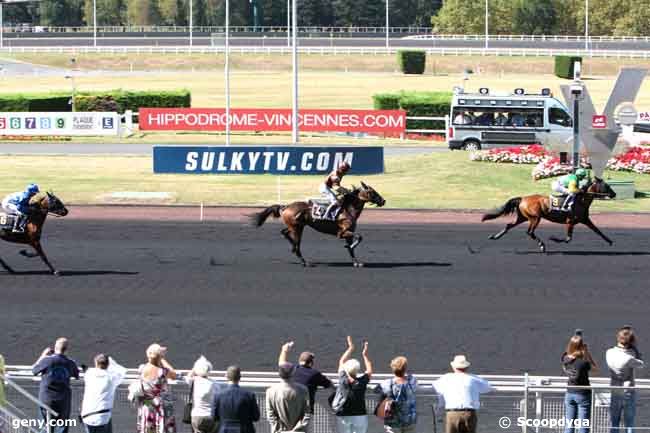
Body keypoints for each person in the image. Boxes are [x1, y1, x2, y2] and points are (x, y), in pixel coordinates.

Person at [431, 355, 493, 433]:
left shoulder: (446, 378)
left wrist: (441, 403)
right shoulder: (473, 378)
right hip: (469, 413)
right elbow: (487, 388)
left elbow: (435, 386)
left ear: (453, 367)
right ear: (466, 367)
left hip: (452, 413)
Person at [32, 338, 80, 433]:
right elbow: (76, 375)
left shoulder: (47, 360)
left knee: (45, 428)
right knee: (62, 428)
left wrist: (42, 356)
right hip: (63, 401)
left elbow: (34, 370)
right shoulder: (70, 363)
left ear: (55, 347)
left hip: (46, 400)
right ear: (66, 349)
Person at [606, 326, 644, 433]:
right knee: (629, 424)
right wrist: (635, 349)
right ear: (630, 341)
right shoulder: (630, 357)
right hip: (628, 392)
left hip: (614, 391)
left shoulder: (609, 352)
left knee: (614, 423)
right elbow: (641, 364)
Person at [278, 342, 333, 414]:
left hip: (290, 408)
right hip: (306, 411)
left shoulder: (292, 369)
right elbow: (329, 384)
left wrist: (284, 350)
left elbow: (281, 363)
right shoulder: (315, 374)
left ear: (299, 361)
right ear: (311, 363)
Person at [334, 336, 373, 433]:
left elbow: (341, 361)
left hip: (343, 414)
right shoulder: (362, 382)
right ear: (358, 370)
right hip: (360, 415)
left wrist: (351, 348)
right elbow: (369, 370)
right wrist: (364, 355)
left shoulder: (343, 379)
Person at [81, 354, 127, 433]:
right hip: (102, 418)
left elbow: (86, 369)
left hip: (87, 417)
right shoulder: (112, 378)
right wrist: (112, 362)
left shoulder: (89, 374)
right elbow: (123, 371)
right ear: (108, 364)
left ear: (96, 363)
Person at [137, 344, 177, 433]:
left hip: (147, 404)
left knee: (149, 427)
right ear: (160, 357)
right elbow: (174, 375)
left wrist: (158, 357)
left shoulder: (142, 368)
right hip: (161, 406)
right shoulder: (163, 372)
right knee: (162, 426)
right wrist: (163, 360)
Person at [562, 333, 597, 433]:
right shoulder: (583, 362)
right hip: (582, 394)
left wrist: (572, 347)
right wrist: (587, 353)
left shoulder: (565, 359)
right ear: (581, 347)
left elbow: (566, 359)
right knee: (583, 426)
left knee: (569, 425)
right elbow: (595, 369)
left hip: (569, 393)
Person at [375, 356, 417, 433]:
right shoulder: (412, 381)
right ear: (405, 368)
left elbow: (376, 390)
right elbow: (410, 376)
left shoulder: (387, 383)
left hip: (393, 421)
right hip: (409, 420)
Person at [212, 365, 260, 433]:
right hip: (245, 430)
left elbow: (214, 417)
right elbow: (256, 417)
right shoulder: (249, 395)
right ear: (240, 377)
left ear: (226, 377)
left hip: (225, 430)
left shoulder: (218, 395)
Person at [265, 363, 311, 433]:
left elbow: (270, 414)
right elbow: (307, 412)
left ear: (279, 374)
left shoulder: (270, 391)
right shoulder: (303, 389)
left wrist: (280, 428)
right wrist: (298, 428)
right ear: (293, 373)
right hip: (299, 431)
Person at [185, 356, 220, 433]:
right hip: (211, 416)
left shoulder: (194, 381)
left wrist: (195, 367)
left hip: (197, 416)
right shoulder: (215, 384)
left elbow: (188, 376)